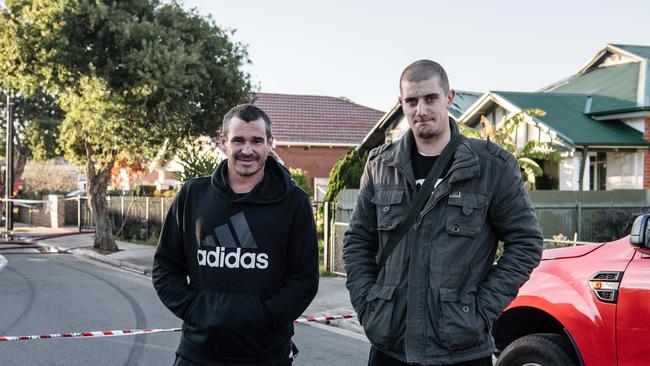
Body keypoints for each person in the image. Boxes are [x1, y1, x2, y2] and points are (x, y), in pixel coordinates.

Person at [343, 60, 543, 365]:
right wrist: (368, 304)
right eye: (411, 101)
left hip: (460, 349)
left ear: (449, 98)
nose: (420, 110)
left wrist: (480, 310)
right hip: (390, 346)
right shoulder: (381, 166)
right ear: (401, 104)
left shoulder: (491, 167)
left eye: (430, 98)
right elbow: (357, 240)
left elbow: (526, 243)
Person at [153, 104, 319, 366]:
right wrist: (196, 310)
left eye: (256, 141)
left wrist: (264, 317)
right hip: (198, 353)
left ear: (269, 143)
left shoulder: (294, 202)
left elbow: (304, 279)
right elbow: (165, 268)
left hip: (267, 355)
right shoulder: (193, 195)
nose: (247, 150)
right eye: (238, 140)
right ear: (223, 142)